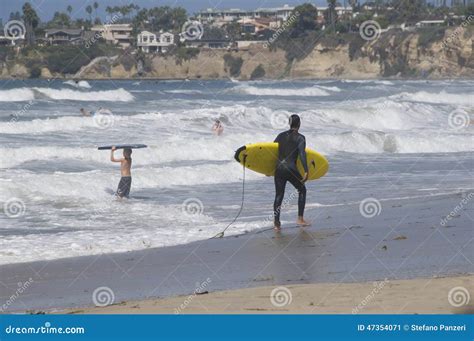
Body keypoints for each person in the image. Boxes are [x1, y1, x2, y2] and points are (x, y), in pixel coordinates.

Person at [273, 114, 310, 230]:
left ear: (289, 124)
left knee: (279, 195)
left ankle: (276, 223)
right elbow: (302, 155)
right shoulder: (300, 138)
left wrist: (268, 169)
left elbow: (272, 152)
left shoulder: (280, 135)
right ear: (299, 124)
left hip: (279, 169)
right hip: (291, 169)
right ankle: (300, 219)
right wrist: (306, 171)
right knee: (302, 190)